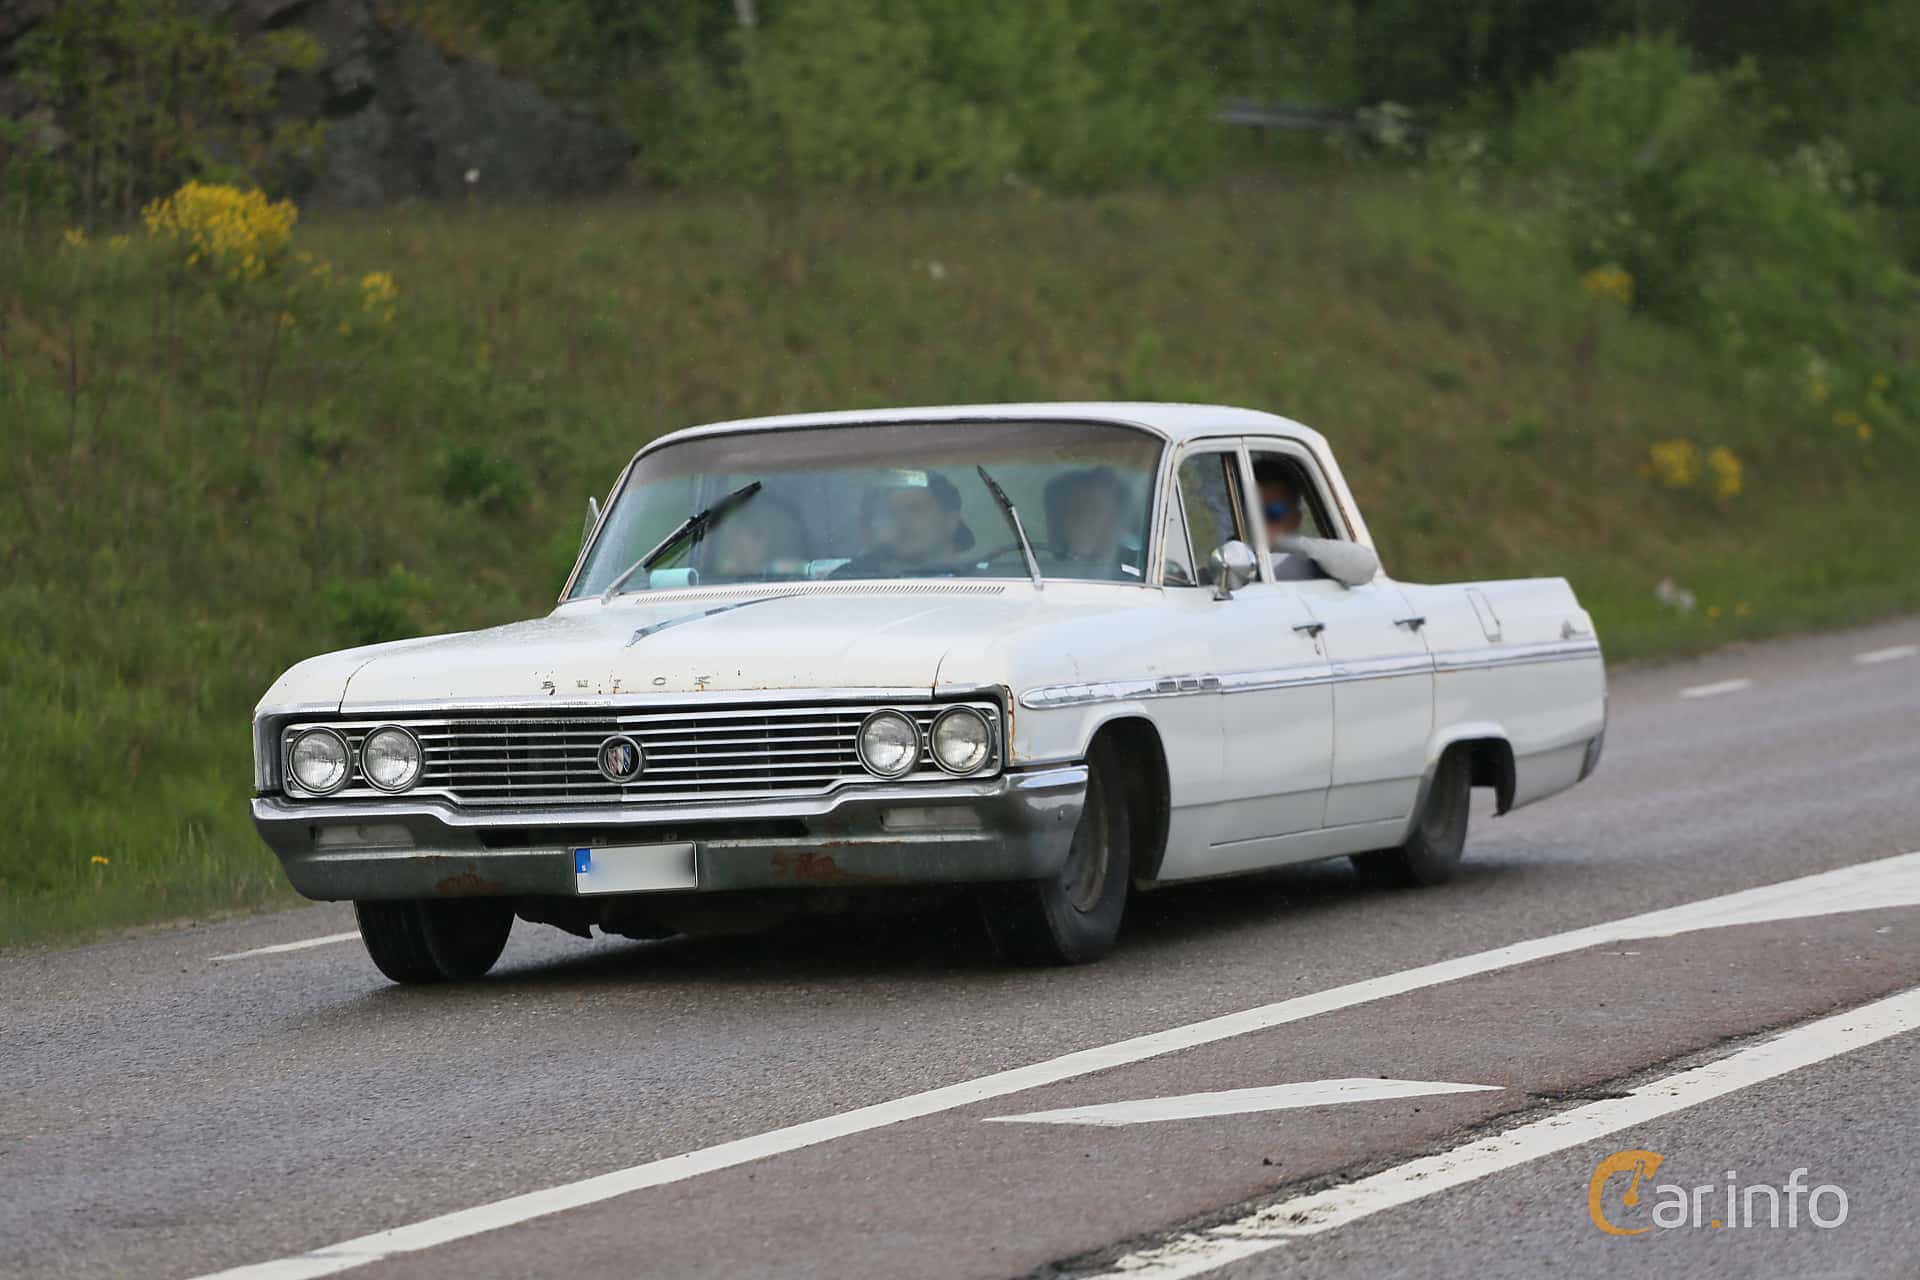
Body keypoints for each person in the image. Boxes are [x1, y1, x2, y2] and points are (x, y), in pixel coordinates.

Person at [1253, 458, 1378, 585]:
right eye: (1252, 512)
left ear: (1295, 520)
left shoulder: (1309, 563)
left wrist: (1283, 542)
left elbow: (1365, 565)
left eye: (1273, 512)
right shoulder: (1233, 555)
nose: (1259, 522)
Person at [834, 469, 975, 577]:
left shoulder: (987, 585)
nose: (901, 520)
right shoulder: (844, 584)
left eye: (915, 509)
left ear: (951, 520)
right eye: (891, 513)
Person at [1043, 467, 1138, 579]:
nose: (1083, 521)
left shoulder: (1140, 580)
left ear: (1117, 521)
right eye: (1076, 511)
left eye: (1095, 510)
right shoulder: (1040, 577)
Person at [707, 490, 813, 581]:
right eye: (757, 533)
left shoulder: (800, 577)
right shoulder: (712, 584)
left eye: (775, 535)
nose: (768, 543)